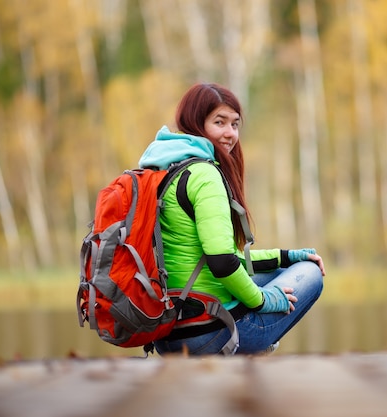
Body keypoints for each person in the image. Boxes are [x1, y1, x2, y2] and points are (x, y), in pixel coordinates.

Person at [138, 82, 325, 355]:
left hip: (169, 331)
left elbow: (225, 257)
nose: (230, 134)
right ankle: (247, 348)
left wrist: (288, 256)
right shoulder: (204, 174)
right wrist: (263, 301)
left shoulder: (165, 170)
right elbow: (222, 262)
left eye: (235, 124)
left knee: (289, 268)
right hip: (209, 335)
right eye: (219, 122)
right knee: (311, 274)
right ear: (196, 123)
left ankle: (248, 348)